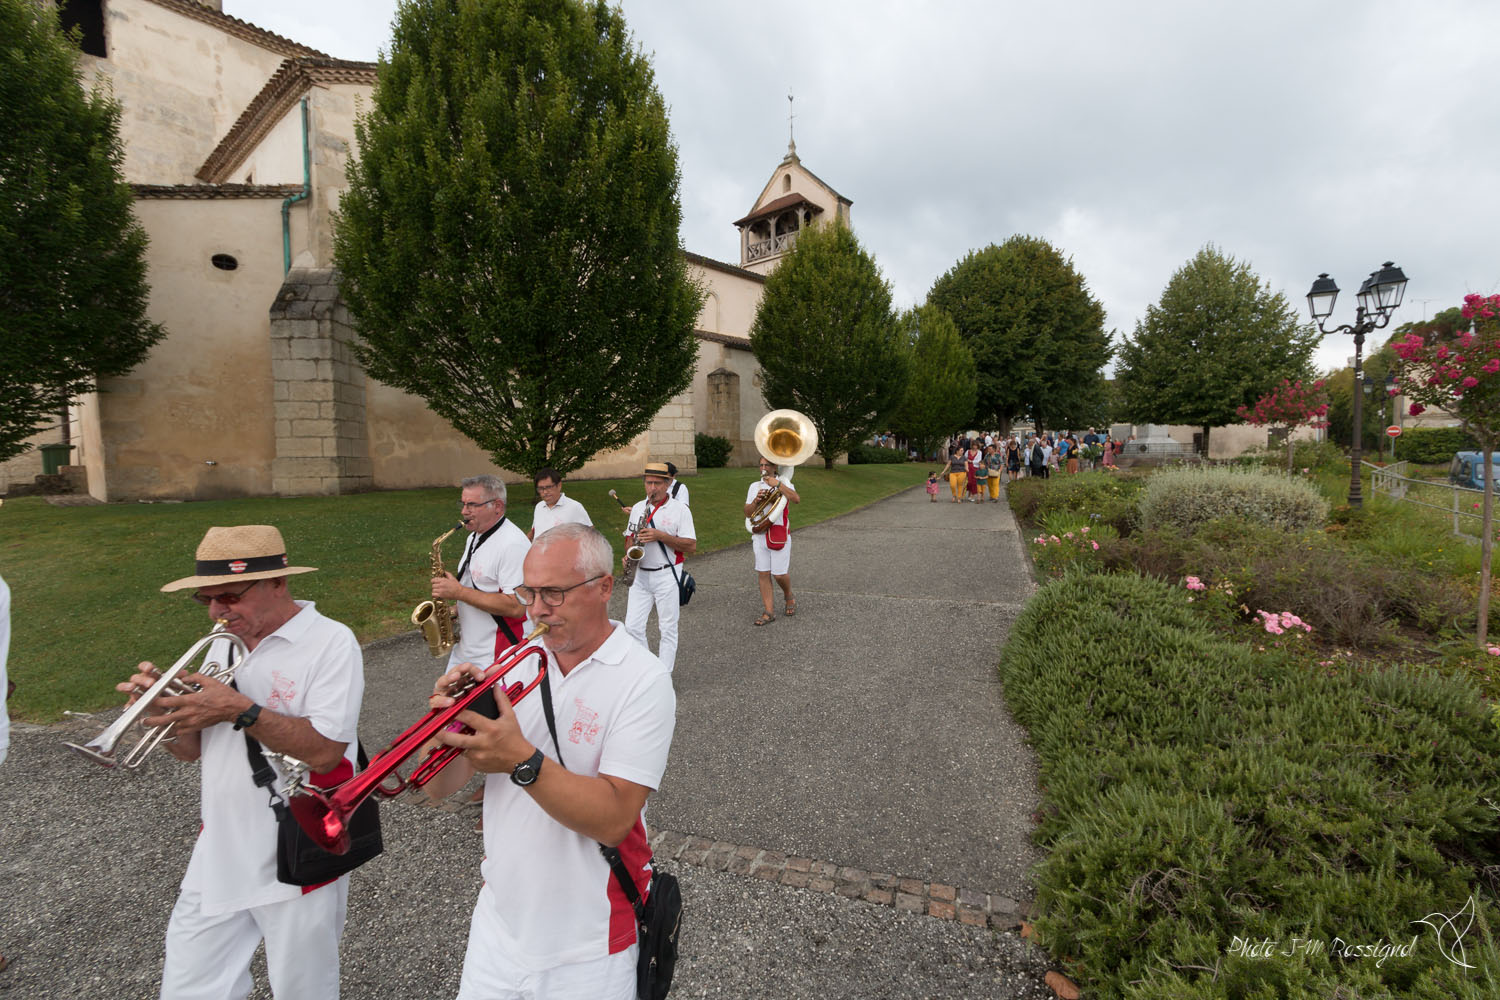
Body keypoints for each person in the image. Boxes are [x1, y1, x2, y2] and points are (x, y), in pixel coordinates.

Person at [427, 524, 676, 1000]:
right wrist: (447, 727)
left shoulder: (642, 679)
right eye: (528, 592)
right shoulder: (514, 661)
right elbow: (435, 788)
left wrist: (520, 758)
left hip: (589, 947)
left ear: (604, 587)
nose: (536, 609)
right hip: (498, 928)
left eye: (554, 594)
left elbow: (614, 819)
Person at [118, 525, 365, 999]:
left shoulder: (332, 643)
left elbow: (325, 751)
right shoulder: (222, 643)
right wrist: (162, 715)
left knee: (303, 988)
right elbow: (192, 751)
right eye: (205, 600)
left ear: (278, 583)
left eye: (228, 596)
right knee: (189, 986)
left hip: (296, 844)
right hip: (219, 845)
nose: (216, 611)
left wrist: (238, 708)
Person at [435, 474, 531, 670]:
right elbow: (481, 586)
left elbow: (517, 607)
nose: (464, 511)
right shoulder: (475, 536)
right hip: (467, 650)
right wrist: (455, 610)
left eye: (472, 505)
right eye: (462, 504)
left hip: (496, 656)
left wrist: (458, 593)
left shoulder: (512, 545)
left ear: (497, 506)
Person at [623, 461, 697, 670]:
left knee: (667, 628)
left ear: (667, 484)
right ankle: (649, 670)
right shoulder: (638, 508)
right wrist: (628, 554)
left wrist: (660, 536)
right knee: (632, 627)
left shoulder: (680, 510)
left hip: (667, 574)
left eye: (657, 483)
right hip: (640, 575)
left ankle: (664, 674)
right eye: (648, 483)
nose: (652, 488)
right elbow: (630, 538)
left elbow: (691, 545)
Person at [746, 455, 800, 625]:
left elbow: (796, 499)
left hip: (778, 534)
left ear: (774, 467)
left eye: (767, 465)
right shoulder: (754, 486)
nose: (763, 468)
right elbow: (748, 513)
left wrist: (777, 485)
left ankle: (788, 595)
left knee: (779, 574)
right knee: (763, 573)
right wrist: (756, 501)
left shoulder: (784, 482)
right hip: (759, 535)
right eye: (761, 465)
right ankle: (769, 611)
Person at [530, 467, 593, 542]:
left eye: (549, 487)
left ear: (559, 485)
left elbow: (591, 535)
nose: (545, 492)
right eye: (541, 488)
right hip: (538, 552)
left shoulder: (574, 507)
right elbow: (534, 531)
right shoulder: (539, 506)